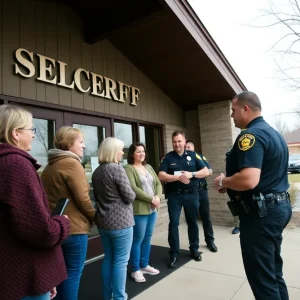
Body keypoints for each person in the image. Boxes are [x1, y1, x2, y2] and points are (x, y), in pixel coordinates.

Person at [213, 91, 292, 300]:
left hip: (261, 216)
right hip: (277, 209)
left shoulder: (250, 136)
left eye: (233, 110)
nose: (232, 115)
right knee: (273, 272)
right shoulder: (274, 134)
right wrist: (232, 184)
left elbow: (249, 179)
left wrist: (223, 181)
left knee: (263, 280)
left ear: (245, 109)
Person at [0, 104, 70, 300]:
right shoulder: (16, 165)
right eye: (31, 129)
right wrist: (62, 222)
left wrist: (46, 279)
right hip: (23, 277)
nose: (33, 134)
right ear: (15, 133)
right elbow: (40, 231)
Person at [41, 126, 96, 300]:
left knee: (58, 277)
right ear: (69, 145)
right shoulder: (72, 163)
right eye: (80, 142)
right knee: (72, 274)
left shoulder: (50, 165)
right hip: (74, 230)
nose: (84, 146)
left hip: (57, 227)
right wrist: (97, 218)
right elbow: (84, 199)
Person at [92, 137, 136, 300]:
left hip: (103, 222)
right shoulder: (117, 169)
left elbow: (96, 197)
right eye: (120, 150)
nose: (123, 153)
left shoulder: (97, 172)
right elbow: (130, 196)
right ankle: (119, 297)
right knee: (121, 262)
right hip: (121, 223)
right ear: (113, 151)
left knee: (109, 259)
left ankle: (107, 295)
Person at [158, 131, 209, 268]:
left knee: (192, 222)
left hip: (192, 195)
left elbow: (206, 171)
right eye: (174, 141)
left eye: (179, 141)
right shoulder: (168, 158)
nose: (177, 144)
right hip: (175, 196)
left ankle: (194, 249)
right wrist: (178, 177)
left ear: (184, 141)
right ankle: (174, 254)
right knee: (173, 224)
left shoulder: (193, 155)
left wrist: (191, 174)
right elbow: (161, 175)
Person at [125, 143, 163, 283]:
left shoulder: (149, 167)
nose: (142, 154)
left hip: (153, 208)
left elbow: (158, 183)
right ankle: (135, 270)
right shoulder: (128, 168)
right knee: (138, 240)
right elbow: (133, 188)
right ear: (132, 154)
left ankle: (144, 265)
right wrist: (151, 199)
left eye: (143, 151)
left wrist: (158, 197)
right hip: (139, 210)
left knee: (147, 238)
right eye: (138, 152)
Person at [185, 140, 217, 252]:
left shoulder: (199, 157)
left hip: (202, 191)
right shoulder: (182, 159)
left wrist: (196, 172)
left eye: (188, 147)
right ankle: (194, 246)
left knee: (206, 217)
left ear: (193, 148)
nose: (186, 149)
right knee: (192, 219)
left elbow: (210, 171)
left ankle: (210, 241)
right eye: (185, 147)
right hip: (189, 192)